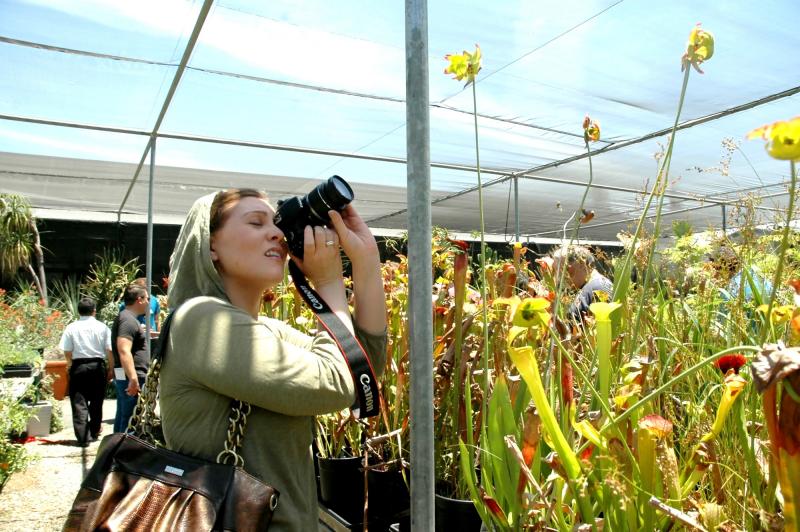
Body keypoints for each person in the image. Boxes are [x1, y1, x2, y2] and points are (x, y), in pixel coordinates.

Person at [159, 189, 387, 529]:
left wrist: (365, 259)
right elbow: (333, 384)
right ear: (210, 245)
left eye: (278, 224)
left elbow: (359, 368)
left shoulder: (266, 330)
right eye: (255, 222)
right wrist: (328, 281)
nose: (277, 234)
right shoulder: (200, 320)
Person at [58, 297, 113, 446]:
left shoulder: (71, 327)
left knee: (78, 401)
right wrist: (111, 368)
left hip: (79, 366)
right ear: (94, 311)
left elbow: (67, 350)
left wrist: (70, 364)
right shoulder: (103, 327)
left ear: (79, 311)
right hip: (97, 365)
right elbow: (109, 350)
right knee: (97, 400)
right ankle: (94, 430)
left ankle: (83, 437)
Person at [110, 284, 150, 433]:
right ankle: (122, 451)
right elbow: (123, 349)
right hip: (131, 376)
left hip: (122, 372)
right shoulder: (128, 320)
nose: (148, 302)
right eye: (147, 298)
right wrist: (133, 378)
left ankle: (115, 448)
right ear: (139, 300)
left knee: (122, 412)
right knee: (130, 418)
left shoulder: (125, 318)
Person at [552, 244, 613, 321]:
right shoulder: (590, 286)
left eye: (564, 270)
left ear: (582, 264)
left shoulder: (599, 288)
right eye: (556, 270)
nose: (560, 276)